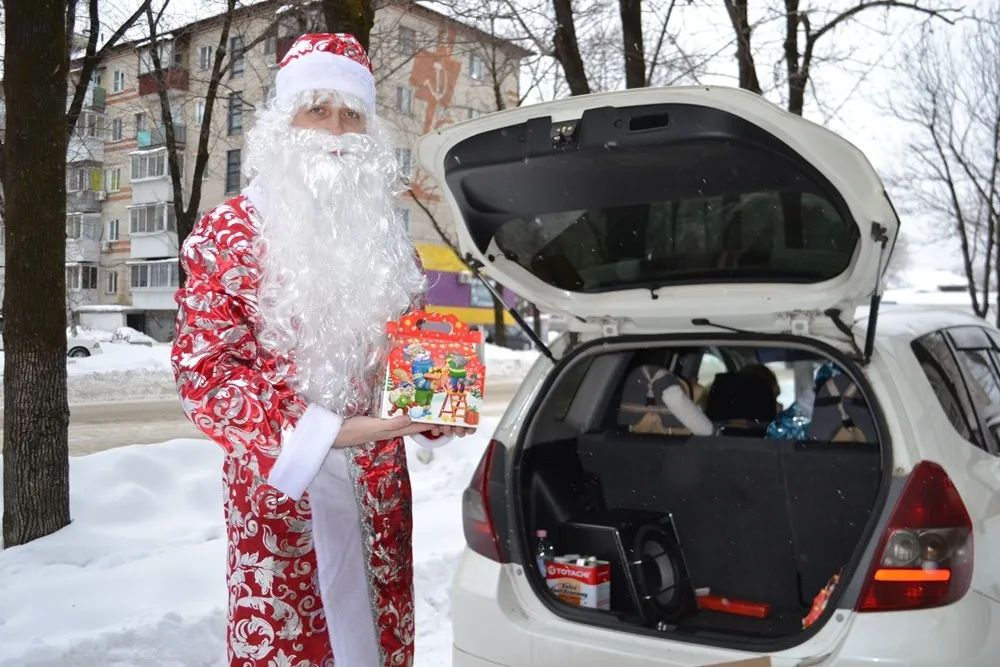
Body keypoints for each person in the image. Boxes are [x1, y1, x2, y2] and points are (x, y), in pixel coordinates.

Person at [171, 33, 472, 667]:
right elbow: (206, 374)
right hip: (281, 491)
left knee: (377, 638)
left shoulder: (389, 243)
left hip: (378, 488)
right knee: (293, 644)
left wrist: (434, 407)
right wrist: (327, 433)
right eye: (318, 110)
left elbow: (410, 361)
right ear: (284, 124)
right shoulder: (228, 231)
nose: (335, 131)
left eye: (352, 114)